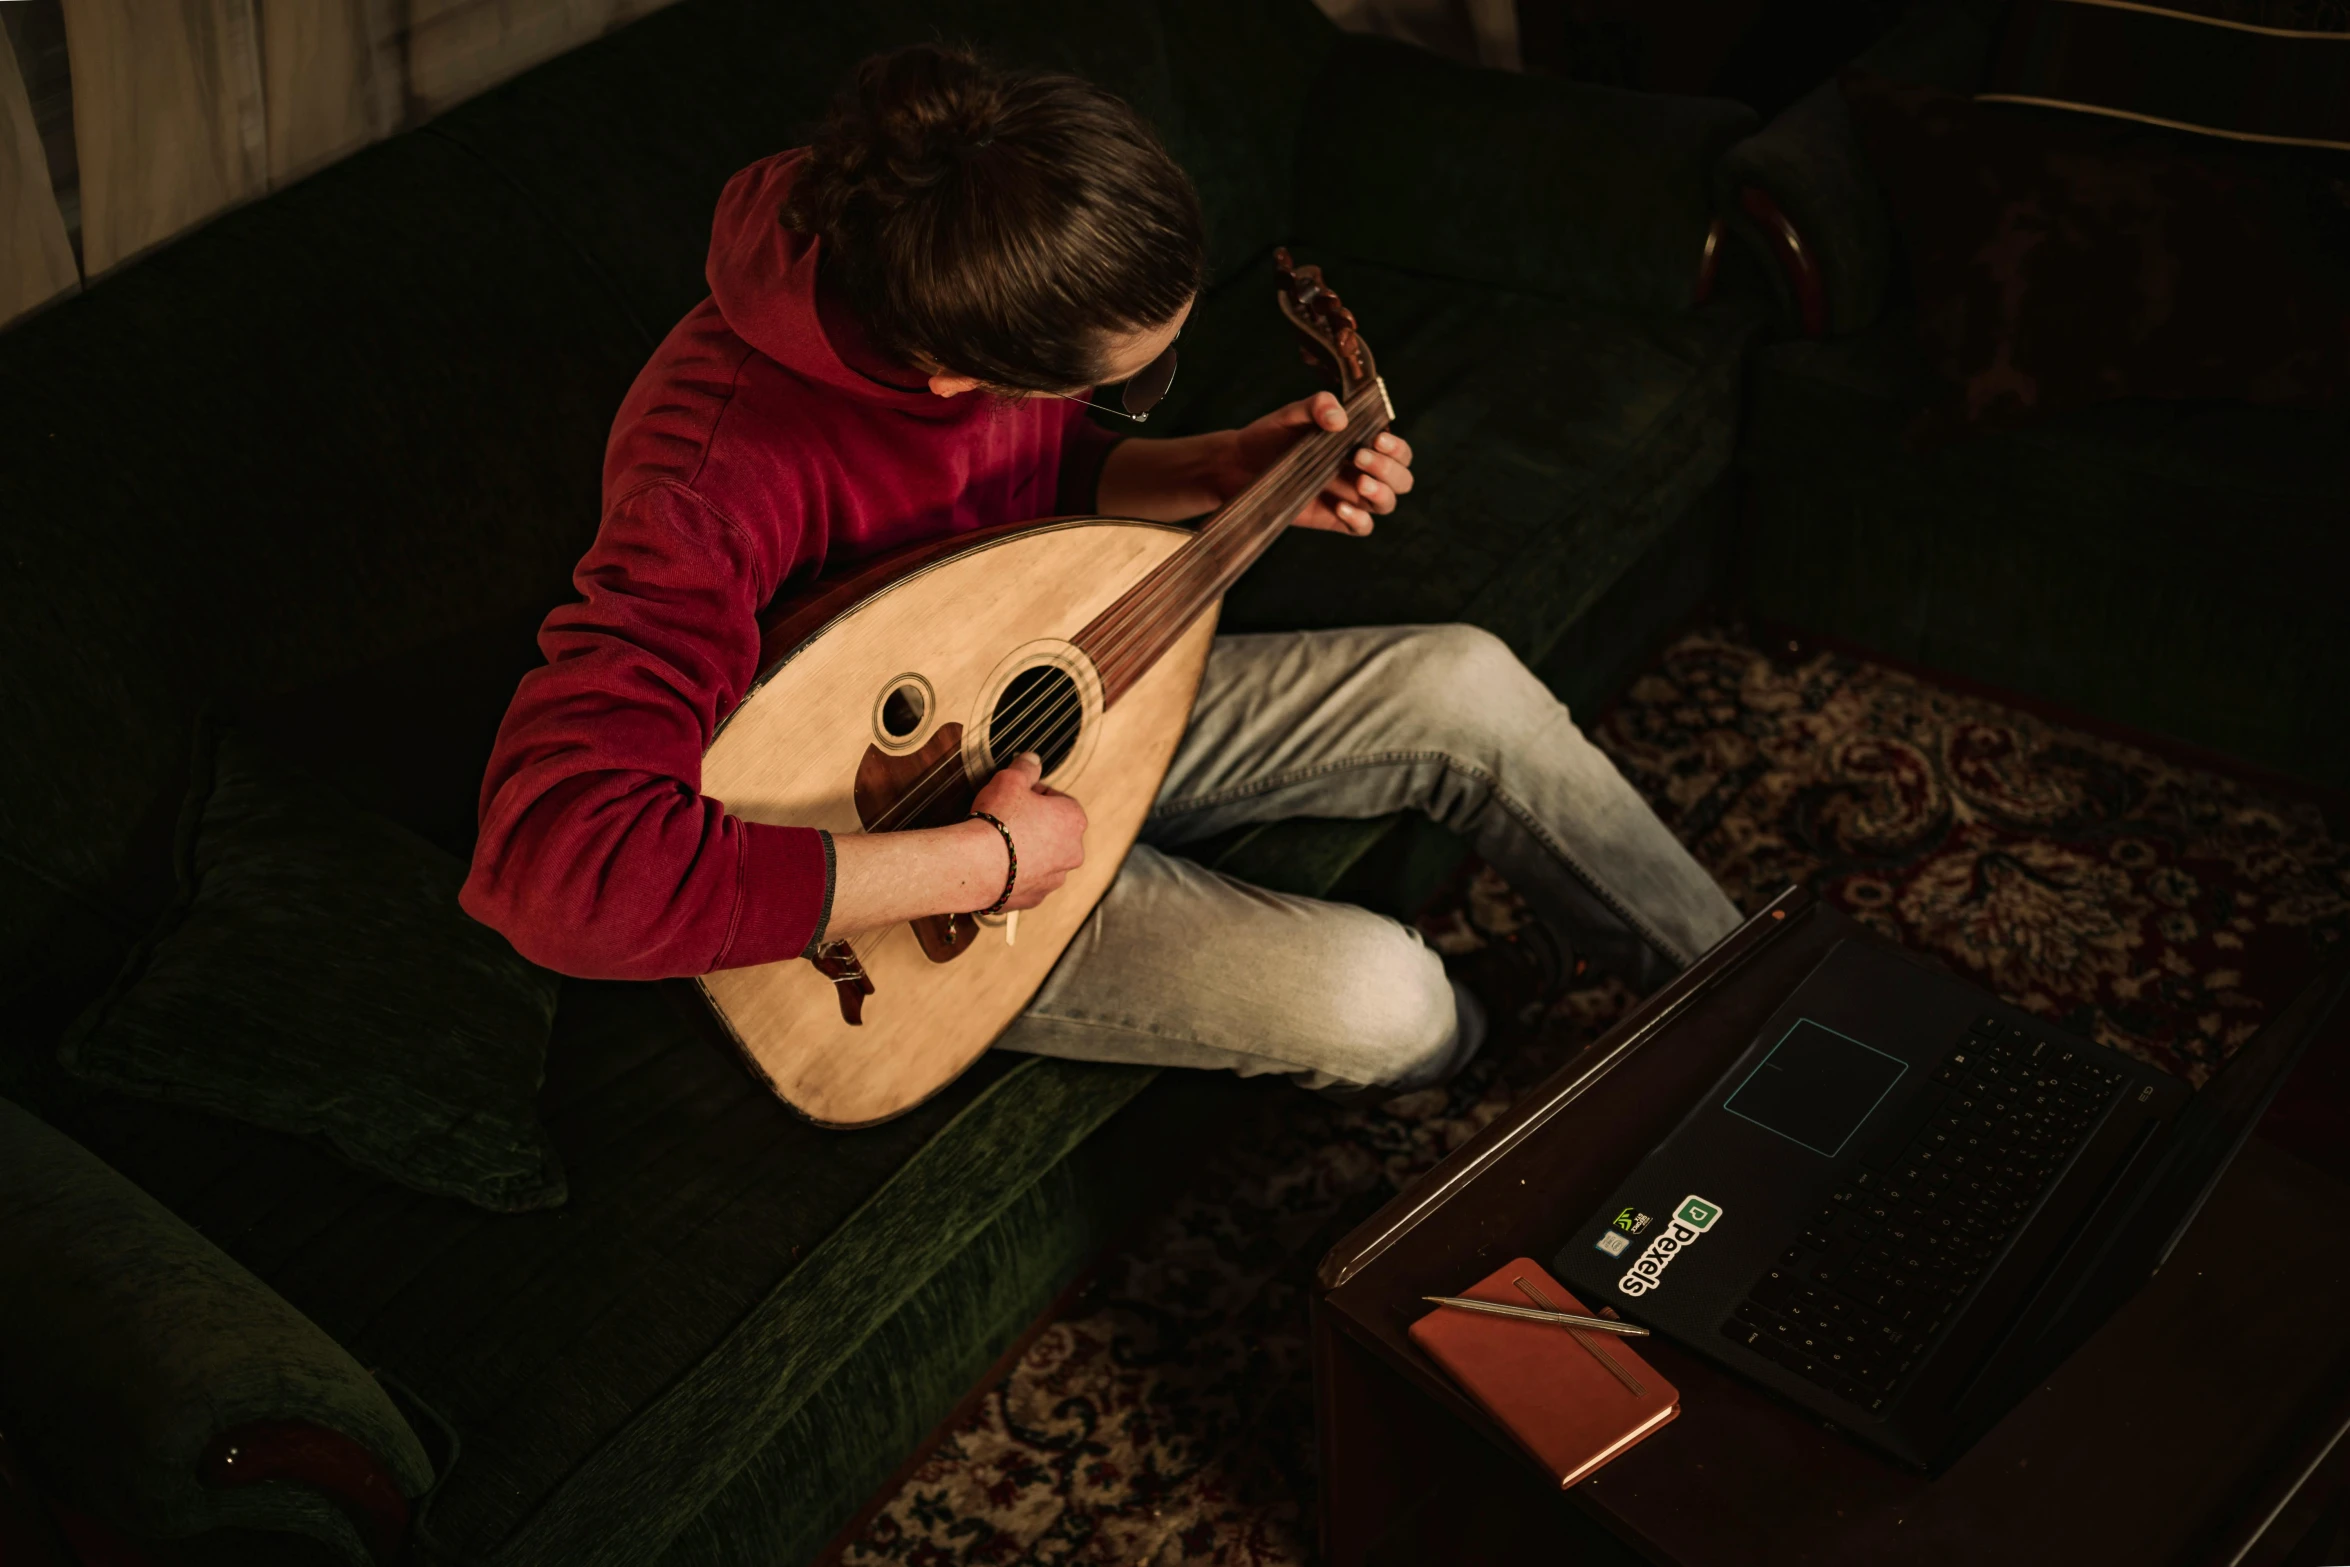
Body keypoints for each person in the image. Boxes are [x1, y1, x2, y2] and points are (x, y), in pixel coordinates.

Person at [460, 43, 1741, 1097]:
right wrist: (988, 864)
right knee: (1383, 998)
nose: (1125, 396)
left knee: (1463, 680)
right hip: (884, 846)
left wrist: (1217, 469)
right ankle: (1482, 1054)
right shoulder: (710, 475)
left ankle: (1755, 1009)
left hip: (1016, 707)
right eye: (1115, 379)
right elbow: (557, 873)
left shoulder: (956, 238)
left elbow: (1020, 503)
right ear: (957, 376)